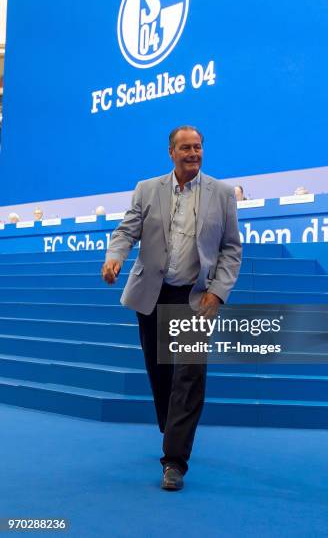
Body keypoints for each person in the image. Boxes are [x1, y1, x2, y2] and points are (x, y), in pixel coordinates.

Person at [101, 125, 242, 491]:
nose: (193, 153)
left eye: (198, 147)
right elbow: (126, 231)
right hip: (153, 294)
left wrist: (218, 292)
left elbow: (231, 249)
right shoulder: (147, 189)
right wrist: (115, 257)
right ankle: (170, 426)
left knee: (189, 377)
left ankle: (174, 461)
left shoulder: (223, 194)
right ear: (171, 152)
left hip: (195, 299)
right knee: (160, 372)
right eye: (186, 148)